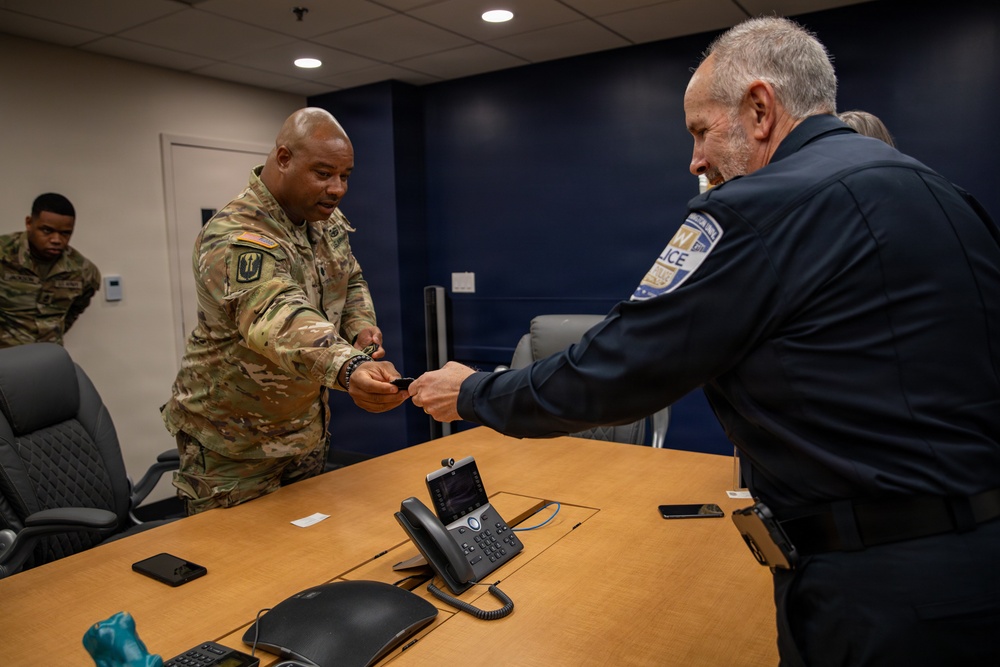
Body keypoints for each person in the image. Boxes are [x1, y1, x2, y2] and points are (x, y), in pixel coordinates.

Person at [410, 17, 1000, 667]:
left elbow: (620, 367)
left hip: (877, 590)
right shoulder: (945, 196)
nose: (695, 160)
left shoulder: (757, 207)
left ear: (759, 109)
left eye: (700, 131)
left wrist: (474, 391)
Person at [161, 108, 409, 516]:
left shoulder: (323, 220)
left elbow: (350, 279)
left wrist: (360, 327)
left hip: (304, 430)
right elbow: (275, 313)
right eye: (324, 173)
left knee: (308, 545)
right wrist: (348, 365)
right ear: (283, 159)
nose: (337, 189)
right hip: (233, 445)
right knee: (236, 554)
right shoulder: (237, 233)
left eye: (345, 176)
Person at [0, 192, 101, 348]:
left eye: (65, 233)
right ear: (29, 223)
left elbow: (75, 309)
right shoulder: (4, 255)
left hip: (49, 355)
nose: (56, 240)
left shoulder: (83, 271)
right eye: (47, 231)